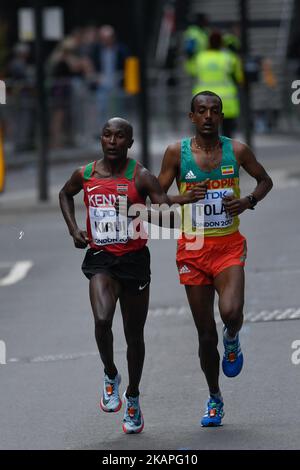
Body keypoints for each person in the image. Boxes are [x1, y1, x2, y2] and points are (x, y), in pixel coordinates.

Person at [59, 117, 199, 434]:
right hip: (100, 258)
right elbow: (64, 195)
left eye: (119, 136)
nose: (112, 141)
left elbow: (170, 219)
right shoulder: (85, 174)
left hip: (134, 260)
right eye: (107, 135)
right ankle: (110, 374)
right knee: (102, 320)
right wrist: (73, 230)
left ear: (130, 143)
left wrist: (136, 211)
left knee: (134, 336)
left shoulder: (142, 176)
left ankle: (133, 396)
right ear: (101, 139)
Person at [158, 91, 273, 427]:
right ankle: (214, 397)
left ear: (221, 116)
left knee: (231, 312)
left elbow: (265, 180)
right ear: (191, 116)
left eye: (214, 111)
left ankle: (233, 338)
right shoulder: (175, 154)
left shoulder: (236, 150)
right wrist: (181, 198)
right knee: (205, 335)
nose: (208, 116)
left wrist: (248, 200)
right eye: (201, 111)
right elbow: (154, 196)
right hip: (192, 248)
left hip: (228, 245)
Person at [188, 31, 244, 138]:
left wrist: (189, 57)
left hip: (203, 101)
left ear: (208, 43)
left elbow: (191, 70)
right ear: (221, 43)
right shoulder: (229, 57)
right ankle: (226, 154)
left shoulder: (200, 57)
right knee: (228, 137)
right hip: (227, 102)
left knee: (206, 136)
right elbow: (239, 77)